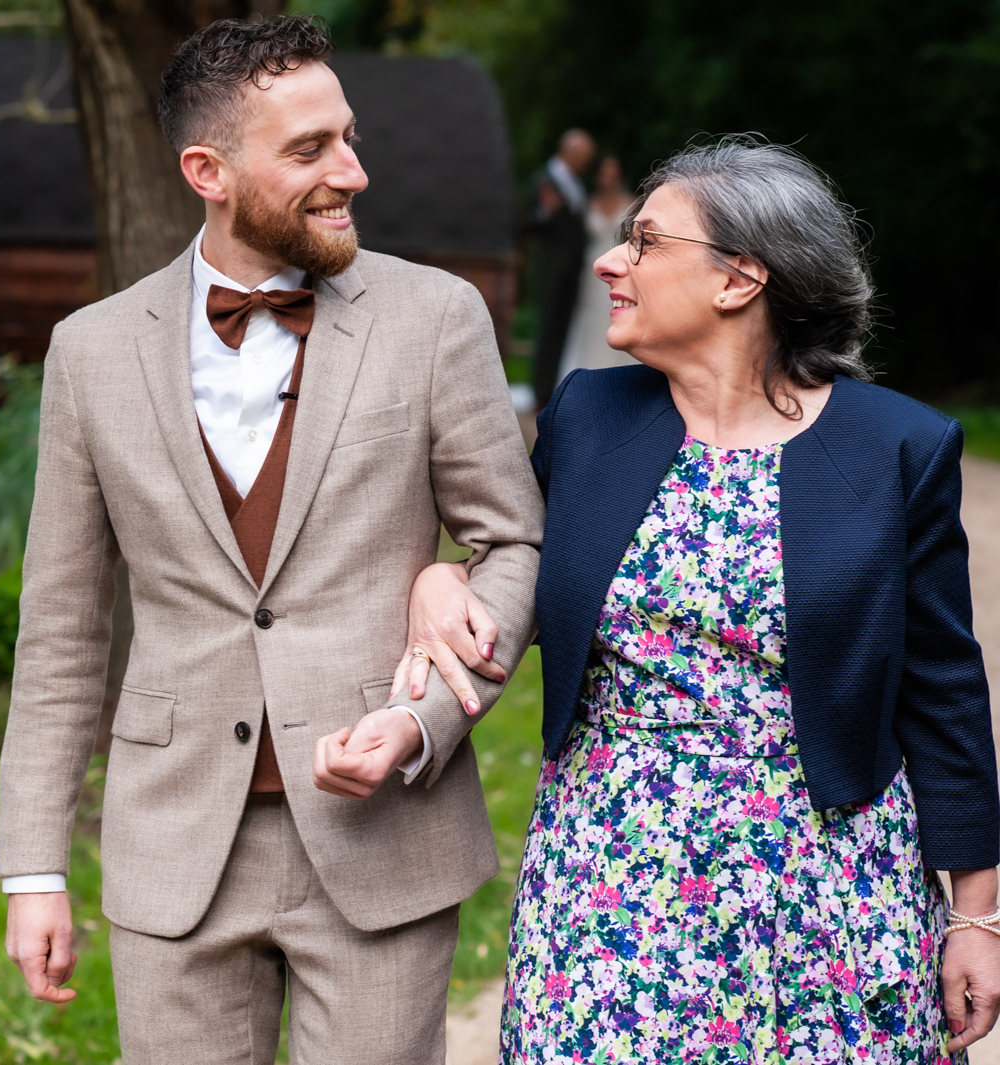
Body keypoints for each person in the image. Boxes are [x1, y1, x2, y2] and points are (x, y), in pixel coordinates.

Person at [0, 15, 543, 1065]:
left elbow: (510, 546)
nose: (353, 171)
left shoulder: (436, 318)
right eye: (309, 150)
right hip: (172, 845)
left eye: (346, 136)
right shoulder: (92, 351)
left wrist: (423, 719)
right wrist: (35, 869)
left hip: (383, 833)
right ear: (208, 170)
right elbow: (60, 626)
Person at [397, 137, 1000, 1061]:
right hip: (608, 874)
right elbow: (515, 564)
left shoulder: (898, 448)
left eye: (644, 242)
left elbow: (945, 692)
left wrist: (977, 918)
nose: (609, 260)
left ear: (739, 281)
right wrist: (440, 577)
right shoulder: (587, 417)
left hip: (826, 886)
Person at [527, 128, 595, 408]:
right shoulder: (543, 180)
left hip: (572, 270)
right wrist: (546, 211)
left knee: (563, 329)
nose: (587, 162)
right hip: (551, 269)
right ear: (570, 152)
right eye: (584, 156)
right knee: (547, 329)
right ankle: (539, 392)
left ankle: (552, 386)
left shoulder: (578, 184)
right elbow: (526, 224)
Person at [556, 155, 636, 381]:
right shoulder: (588, 203)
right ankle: (587, 372)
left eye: (612, 172)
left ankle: (619, 372)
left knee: (616, 312)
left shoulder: (631, 203)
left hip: (619, 266)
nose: (608, 177)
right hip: (591, 270)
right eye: (604, 172)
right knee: (589, 320)